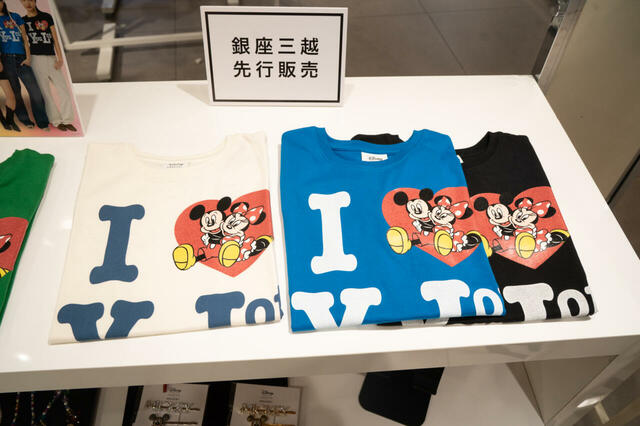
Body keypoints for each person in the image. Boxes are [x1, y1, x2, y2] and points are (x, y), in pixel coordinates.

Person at [20, 0, 76, 131]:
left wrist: (60, 58)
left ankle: (67, 119)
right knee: (45, 92)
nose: (27, 3)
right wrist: (27, 59)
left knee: (63, 89)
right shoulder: (22, 21)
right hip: (35, 59)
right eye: (24, 0)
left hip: (51, 58)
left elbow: (55, 39)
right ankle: (56, 121)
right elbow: (24, 42)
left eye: (30, 0)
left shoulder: (46, 17)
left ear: (35, 1)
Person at [0, 0, 49, 130]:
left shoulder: (15, 16)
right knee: (16, 93)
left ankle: (42, 122)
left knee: (35, 92)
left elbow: (25, 38)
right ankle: (25, 120)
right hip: (6, 60)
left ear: (3, 2)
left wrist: (28, 57)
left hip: (21, 59)